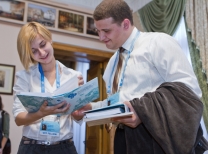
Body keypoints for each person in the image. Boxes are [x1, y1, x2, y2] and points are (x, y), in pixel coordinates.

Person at [72, 0, 208, 153]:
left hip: (156, 138)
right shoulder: (112, 64)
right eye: (98, 31)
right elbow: (118, 102)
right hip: (124, 138)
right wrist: (89, 109)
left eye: (106, 31)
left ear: (125, 24)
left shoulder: (158, 43)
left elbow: (189, 92)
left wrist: (142, 111)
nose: (101, 38)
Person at [13, 22, 83, 154]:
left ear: (50, 39)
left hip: (64, 147)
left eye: (43, 44)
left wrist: (78, 108)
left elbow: (78, 117)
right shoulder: (24, 77)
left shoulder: (74, 76)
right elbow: (18, 119)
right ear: (30, 54)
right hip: (31, 147)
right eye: (34, 51)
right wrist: (41, 113)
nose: (42, 52)